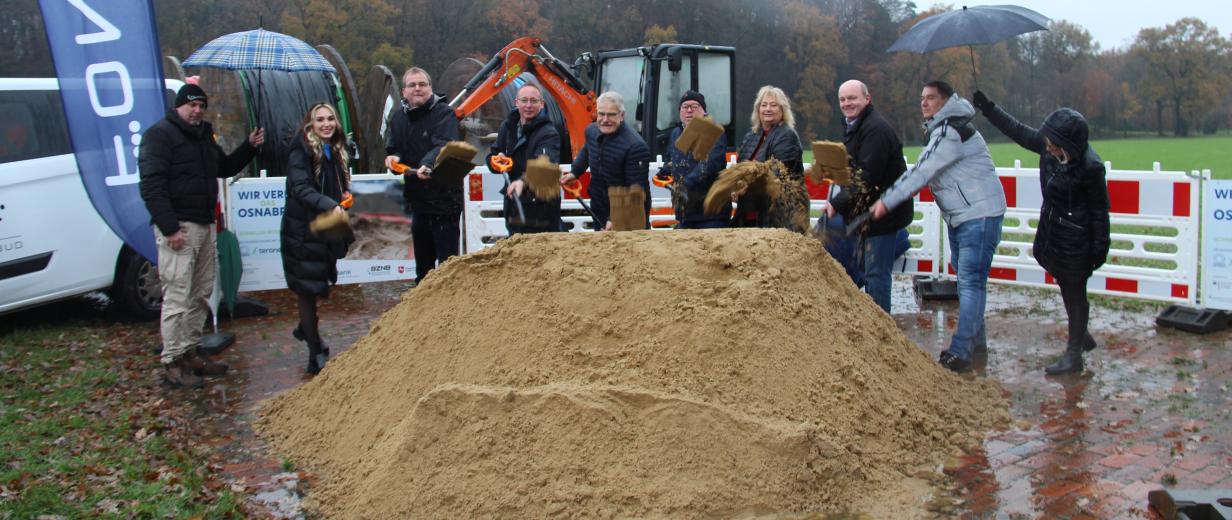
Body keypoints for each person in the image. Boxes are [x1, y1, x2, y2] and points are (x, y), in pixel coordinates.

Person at [870, 81, 1006, 373]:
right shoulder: (946, 128)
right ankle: (976, 344)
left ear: (945, 102)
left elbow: (922, 171)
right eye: (922, 98)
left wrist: (886, 202)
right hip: (965, 214)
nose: (924, 103)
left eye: (931, 98)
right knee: (971, 281)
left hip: (977, 215)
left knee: (970, 282)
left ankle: (961, 352)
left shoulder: (950, 132)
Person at [972, 91, 1110, 375]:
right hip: (1052, 231)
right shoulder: (1047, 146)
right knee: (1062, 280)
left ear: (1068, 144)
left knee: (1074, 290)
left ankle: (1075, 354)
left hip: (1077, 238)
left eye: (1053, 143)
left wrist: (1100, 247)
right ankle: (1079, 331)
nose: (1046, 146)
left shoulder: (1090, 168)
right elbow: (1018, 130)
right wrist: (989, 108)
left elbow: (1100, 210)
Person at [139, 83, 264, 388]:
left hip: (205, 225)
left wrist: (249, 146)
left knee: (200, 292)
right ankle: (171, 359)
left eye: (200, 106)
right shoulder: (159, 135)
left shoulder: (204, 137)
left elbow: (224, 167)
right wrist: (169, 227)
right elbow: (152, 185)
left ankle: (190, 350)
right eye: (191, 105)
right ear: (179, 107)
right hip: (179, 228)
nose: (196, 110)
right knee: (177, 295)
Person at [281, 103, 354, 375]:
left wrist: (342, 196)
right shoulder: (300, 149)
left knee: (320, 282)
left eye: (330, 118)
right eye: (320, 119)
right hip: (303, 230)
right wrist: (329, 204)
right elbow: (300, 187)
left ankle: (305, 327)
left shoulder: (334, 150)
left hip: (324, 226)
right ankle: (315, 353)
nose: (326, 124)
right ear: (309, 124)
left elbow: (333, 184)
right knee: (307, 289)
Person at [828, 80, 912, 313]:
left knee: (876, 273)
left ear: (867, 98)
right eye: (843, 99)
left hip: (884, 212)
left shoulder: (874, 129)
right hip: (867, 212)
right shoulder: (854, 126)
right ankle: (873, 323)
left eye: (852, 98)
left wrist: (837, 202)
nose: (847, 103)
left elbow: (866, 176)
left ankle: (882, 332)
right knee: (868, 269)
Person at [384, 67, 462, 281]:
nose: (417, 89)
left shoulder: (444, 113)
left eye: (422, 84)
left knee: (448, 268)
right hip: (417, 201)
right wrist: (393, 158)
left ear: (430, 88)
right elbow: (394, 147)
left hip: (445, 201)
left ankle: (451, 310)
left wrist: (427, 164)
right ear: (404, 91)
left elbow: (443, 145)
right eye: (412, 85)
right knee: (423, 268)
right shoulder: (398, 117)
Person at [564, 91, 651, 230]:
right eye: (601, 114)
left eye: (611, 115)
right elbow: (587, 150)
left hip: (629, 214)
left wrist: (614, 219)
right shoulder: (592, 131)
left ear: (621, 116)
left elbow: (634, 191)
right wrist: (574, 172)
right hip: (599, 206)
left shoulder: (636, 146)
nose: (605, 119)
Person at [487, 83, 562, 234]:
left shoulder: (548, 133)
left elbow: (545, 164)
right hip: (514, 204)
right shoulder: (507, 127)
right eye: (524, 100)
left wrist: (523, 181)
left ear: (542, 104)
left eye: (534, 101)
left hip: (541, 208)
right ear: (516, 103)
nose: (528, 105)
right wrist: (495, 162)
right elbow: (493, 154)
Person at [733, 85, 809, 232]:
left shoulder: (787, 135)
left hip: (779, 215)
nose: (768, 109)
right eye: (764, 105)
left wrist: (745, 186)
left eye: (773, 105)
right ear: (758, 109)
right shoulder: (751, 136)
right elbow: (740, 168)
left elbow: (777, 172)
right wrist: (735, 187)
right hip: (750, 213)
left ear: (782, 110)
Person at [658, 90, 729, 229]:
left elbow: (708, 165)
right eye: (685, 107)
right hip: (685, 213)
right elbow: (674, 160)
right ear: (680, 112)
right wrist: (666, 169)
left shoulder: (713, 131)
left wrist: (685, 184)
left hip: (712, 214)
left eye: (694, 107)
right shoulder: (675, 133)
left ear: (703, 111)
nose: (689, 110)